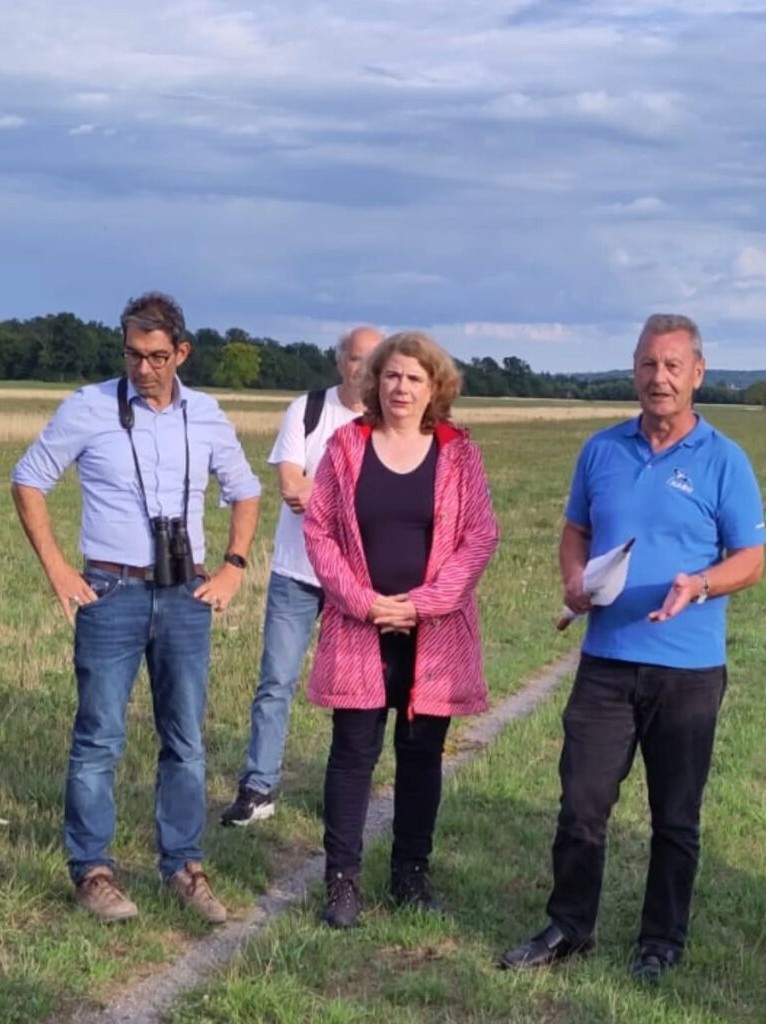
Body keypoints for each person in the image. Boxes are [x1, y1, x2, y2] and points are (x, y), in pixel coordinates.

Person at [499, 314, 764, 981]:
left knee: (676, 815)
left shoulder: (724, 459)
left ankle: (660, 941)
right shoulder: (602, 450)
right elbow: (575, 529)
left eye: (674, 366)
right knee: (582, 804)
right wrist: (571, 576)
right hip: (607, 664)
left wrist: (701, 583)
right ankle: (569, 926)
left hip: (689, 670)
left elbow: (752, 556)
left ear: (698, 374)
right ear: (633, 371)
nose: (659, 378)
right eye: (648, 364)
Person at [11, 292, 261, 924]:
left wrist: (233, 567)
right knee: (98, 736)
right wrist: (59, 569)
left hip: (184, 596)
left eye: (156, 356)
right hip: (111, 591)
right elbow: (28, 479)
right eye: (131, 354)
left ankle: (185, 866)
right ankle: (92, 871)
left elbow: (246, 491)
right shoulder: (89, 407)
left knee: (186, 739)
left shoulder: (205, 414)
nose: (143, 368)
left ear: (181, 352)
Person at [303, 331, 500, 928]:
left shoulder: (458, 453)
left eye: (415, 378)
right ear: (374, 382)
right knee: (353, 754)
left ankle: (411, 874)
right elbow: (319, 532)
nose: (401, 388)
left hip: (433, 632)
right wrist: (364, 602)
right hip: (359, 627)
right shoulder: (346, 446)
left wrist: (421, 604)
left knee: (421, 758)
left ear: (435, 386)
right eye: (391, 376)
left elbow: (479, 538)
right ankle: (342, 882)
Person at [220, 326, 382, 826]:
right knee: (276, 681)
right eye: (356, 359)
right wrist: (348, 496)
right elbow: (292, 487)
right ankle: (258, 787)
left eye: (375, 361)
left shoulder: (388, 423)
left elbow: (382, 504)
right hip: (296, 572)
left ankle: (348, 786)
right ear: (340, 363)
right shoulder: (307, 410)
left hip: (355, 579)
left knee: (354, 689)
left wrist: (328, 494)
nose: (365, 370)